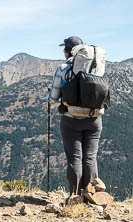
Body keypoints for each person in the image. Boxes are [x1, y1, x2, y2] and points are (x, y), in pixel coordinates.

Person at [47, 36, 104, 199]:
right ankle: (91, 194)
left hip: (71, 120)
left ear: (68, 51)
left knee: (75, 159)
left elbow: (53, 98)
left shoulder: (63, 69)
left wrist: (49, 96)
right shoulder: (95, 68)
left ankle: (74, 196)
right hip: (94, 119)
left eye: (64, 49)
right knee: (90, 158)